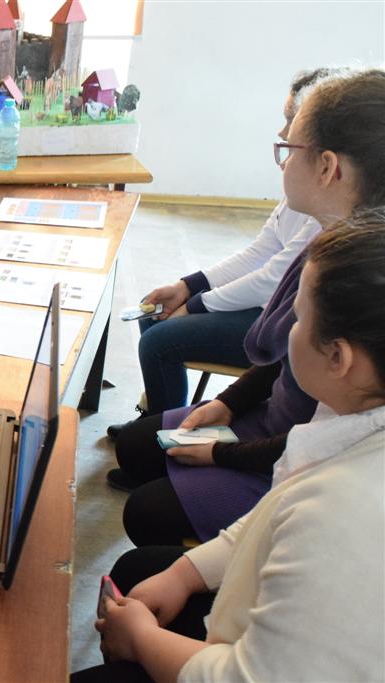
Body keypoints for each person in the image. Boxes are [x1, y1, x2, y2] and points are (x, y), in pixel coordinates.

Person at [73, 213, 385, 683]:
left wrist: (141, 640)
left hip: (242, 661)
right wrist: (185, 574)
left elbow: (248, 676)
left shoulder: (345, 510)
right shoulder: (347, 414)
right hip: (252, 621)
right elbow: (270, 518)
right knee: (142, 569)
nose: (286, 331)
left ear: (339, 358)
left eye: (299, 319)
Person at [108, 68, 385, 547]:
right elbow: (281, 361)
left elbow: (320, 440)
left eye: (289, 146)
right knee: (137, 448)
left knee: (146, 512)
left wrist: (223, 455)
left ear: (327, 167)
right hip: (274, 419)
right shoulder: (328, 237)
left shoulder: (355, 276)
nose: (281, 156)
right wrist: (227, 402)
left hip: (290, 457)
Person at [108, 69, 340, 439]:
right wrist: (188, 287)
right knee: (154, 314)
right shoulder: (302, 194)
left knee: (157, 339)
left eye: (290, 121)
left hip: (272, 324)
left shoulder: (325, 213)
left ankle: (163, 436)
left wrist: (195, 305)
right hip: (267, 310)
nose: (282, 132)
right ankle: (157, 419)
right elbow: (260, 252)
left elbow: (271, 280)